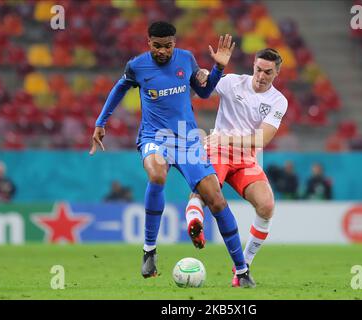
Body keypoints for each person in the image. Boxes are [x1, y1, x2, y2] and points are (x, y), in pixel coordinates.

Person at [89, 21, 255, 287]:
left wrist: (219, 68)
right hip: (154, 138)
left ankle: (242, 270)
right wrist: (101, 121)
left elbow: (204, 91)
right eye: (157, 46)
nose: (163, 52)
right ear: (148, 43)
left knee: (217, 200)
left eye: (167, 46)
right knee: (156, 175)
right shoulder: (137, 66)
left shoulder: (186, 60)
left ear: (174, 44)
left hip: (188, 139)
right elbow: (119, 88)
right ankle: (149, 251)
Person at [184, 48, 288, 287]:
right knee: (208, 190)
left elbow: (262, 139)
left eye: (268, 72)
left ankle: (244, 266)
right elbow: (204, 87)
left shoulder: (278, 100)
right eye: (258, 70)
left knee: (267, 205)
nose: (261, 76)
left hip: (246, 158)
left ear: (277, 72)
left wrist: (227, 138)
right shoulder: (232, 82)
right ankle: (194, 222)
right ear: (253, 66)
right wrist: (204, 71)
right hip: (218, 151)